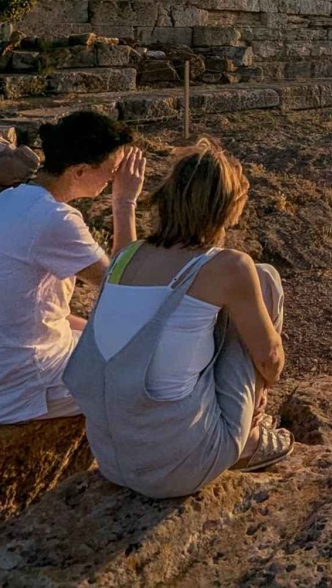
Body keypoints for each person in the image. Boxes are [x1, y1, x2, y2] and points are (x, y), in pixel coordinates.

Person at [65, 140, 294, 499]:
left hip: (112, 459)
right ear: (227, 210)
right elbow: (270, 360)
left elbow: (131, 254)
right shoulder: (229, 267)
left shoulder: (125, 259)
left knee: (190, 325)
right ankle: (249, 439)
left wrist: (124, 203)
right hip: (181, 467)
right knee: (264, 278)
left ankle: (241, 429)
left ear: (167, 198)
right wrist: (259, 389)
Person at [0, 111, 144, 424]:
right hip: (15, 392)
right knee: (152, 364)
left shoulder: (10, 200)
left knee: (109, 335)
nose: (113, 179)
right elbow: (124, 285)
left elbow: (46, 312)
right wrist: (124, 202)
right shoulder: (55, 220)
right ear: (78, 171)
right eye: (110, 171)